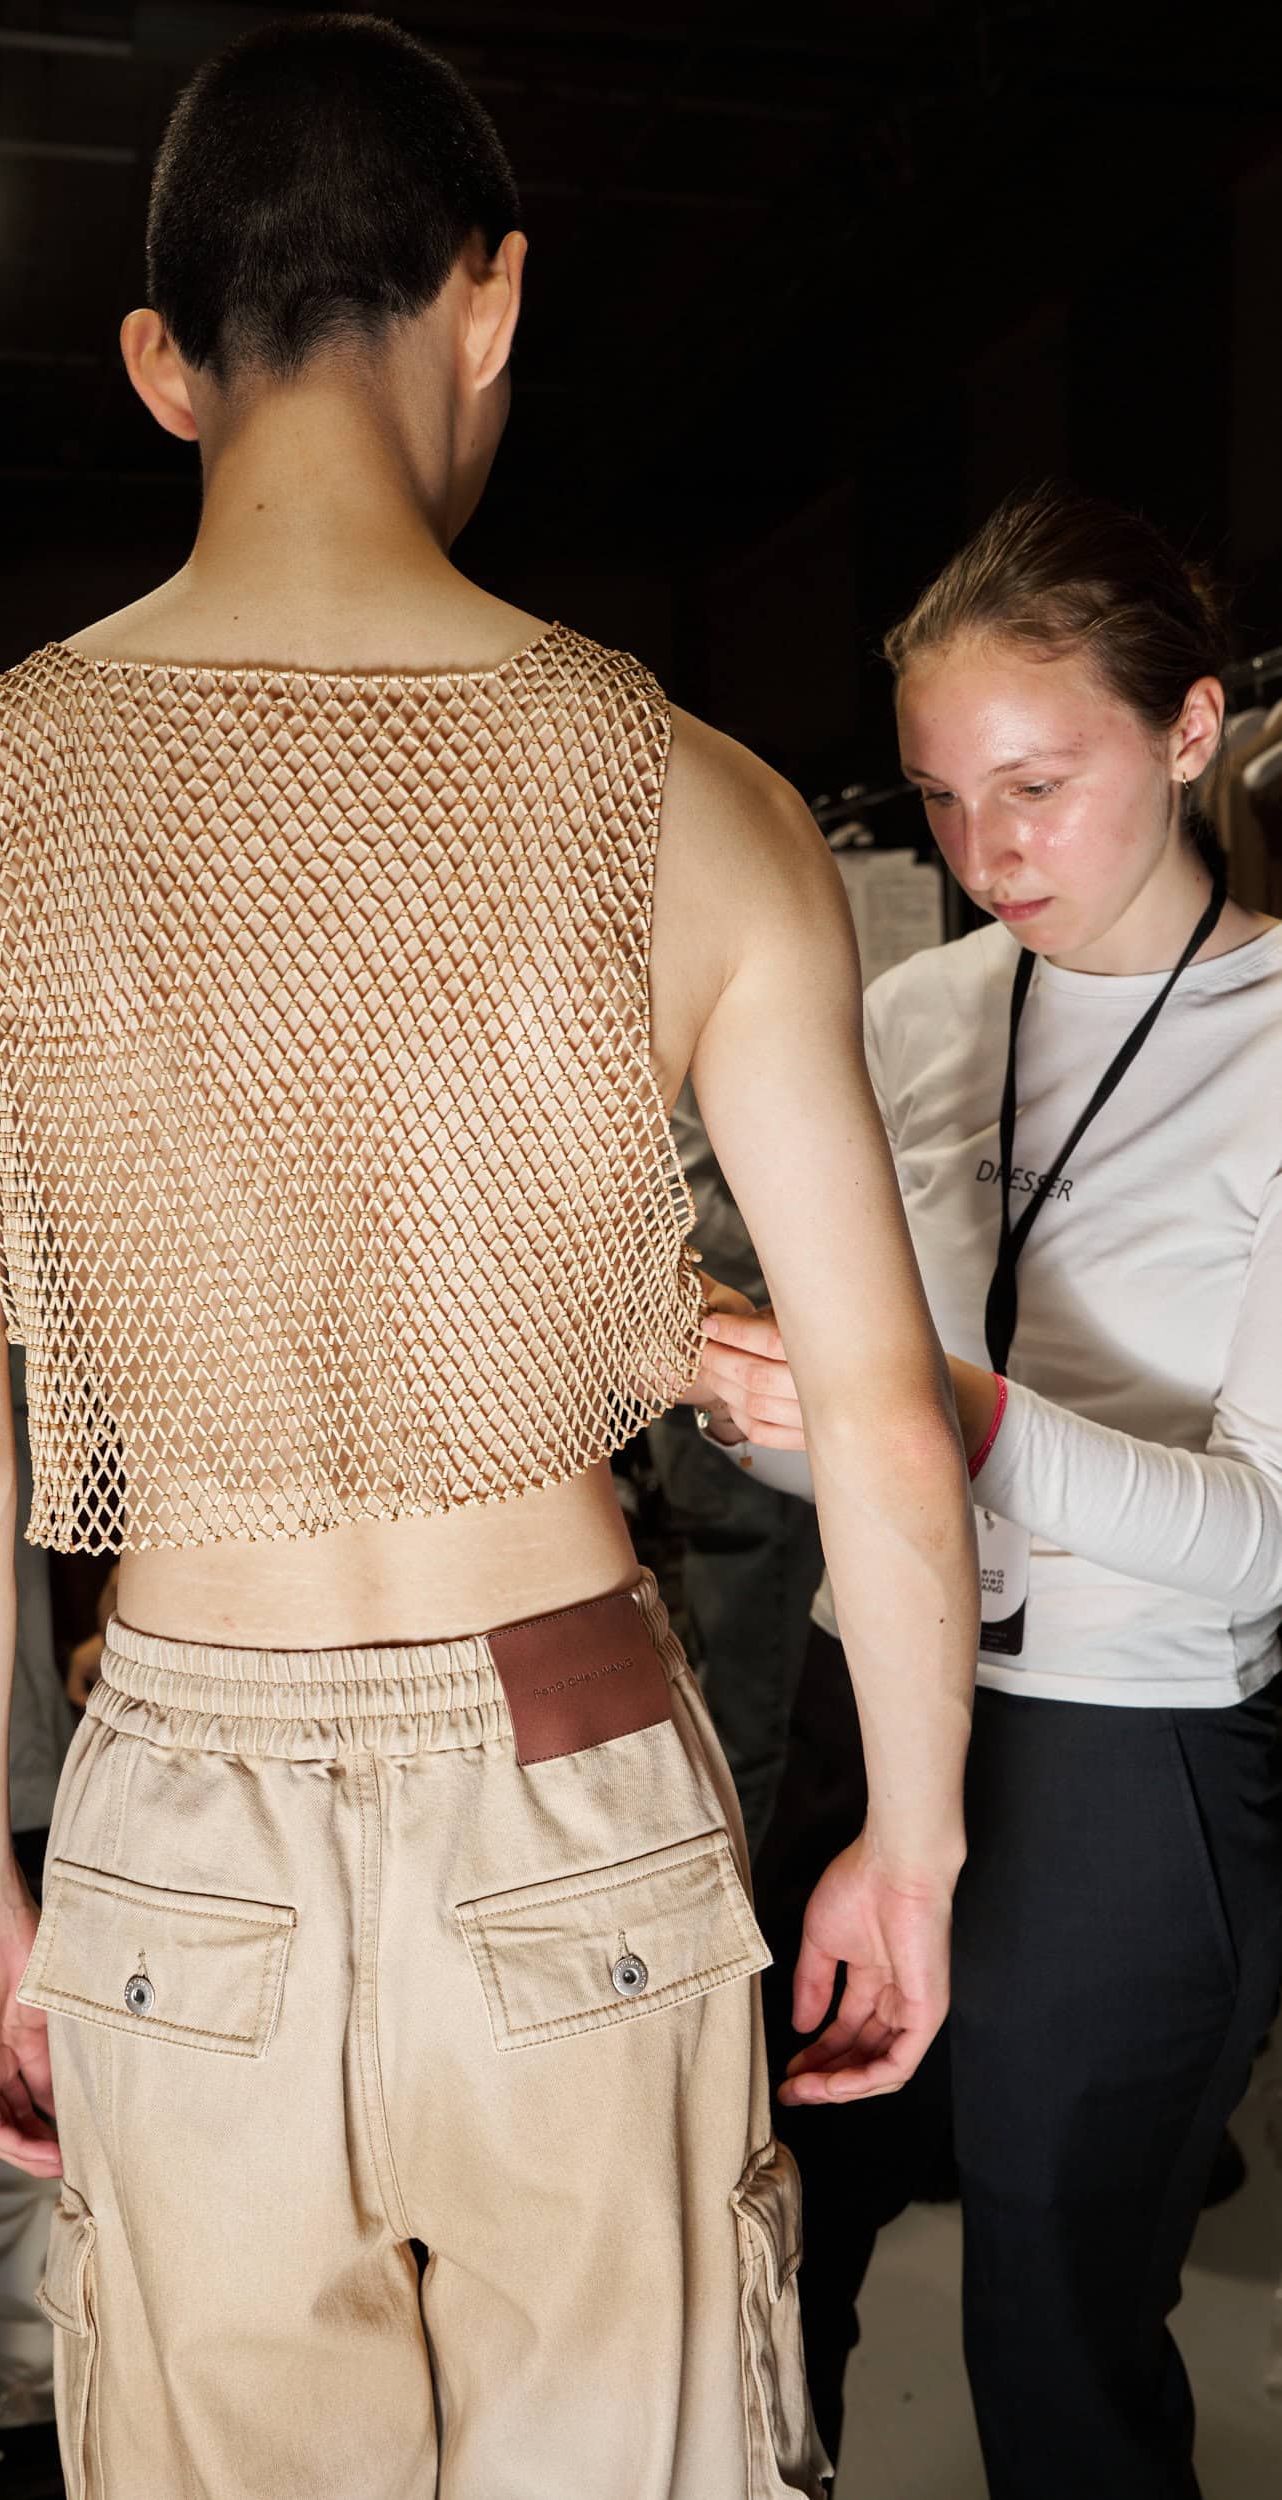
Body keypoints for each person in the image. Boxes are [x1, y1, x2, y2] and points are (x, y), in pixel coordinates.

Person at [0, 16, 979, 2496]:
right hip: (576, 1789)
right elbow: (877, 1409)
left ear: (161, 360)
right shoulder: (699, 799)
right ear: (492, 307)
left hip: (172, 1808)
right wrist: (918, 1829)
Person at [698, 483, 1282, 2498]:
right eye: (938, 798)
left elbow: (1260, 1540)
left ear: (1189, 727)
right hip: (858, 1711)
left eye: (1034, 782)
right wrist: (735, 1389)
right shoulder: (911, 1013)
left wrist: (942, 1412)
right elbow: (819, 1444)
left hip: (1123, 1761)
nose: (980, 851)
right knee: (766, 2246)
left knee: (1048, 2333)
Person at [647, 1082, 825, 1858]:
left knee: (742, 1651)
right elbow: (679, 1186)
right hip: (739, 1353)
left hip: (719, 1354)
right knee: (753, 1664)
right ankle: (750, 1908)